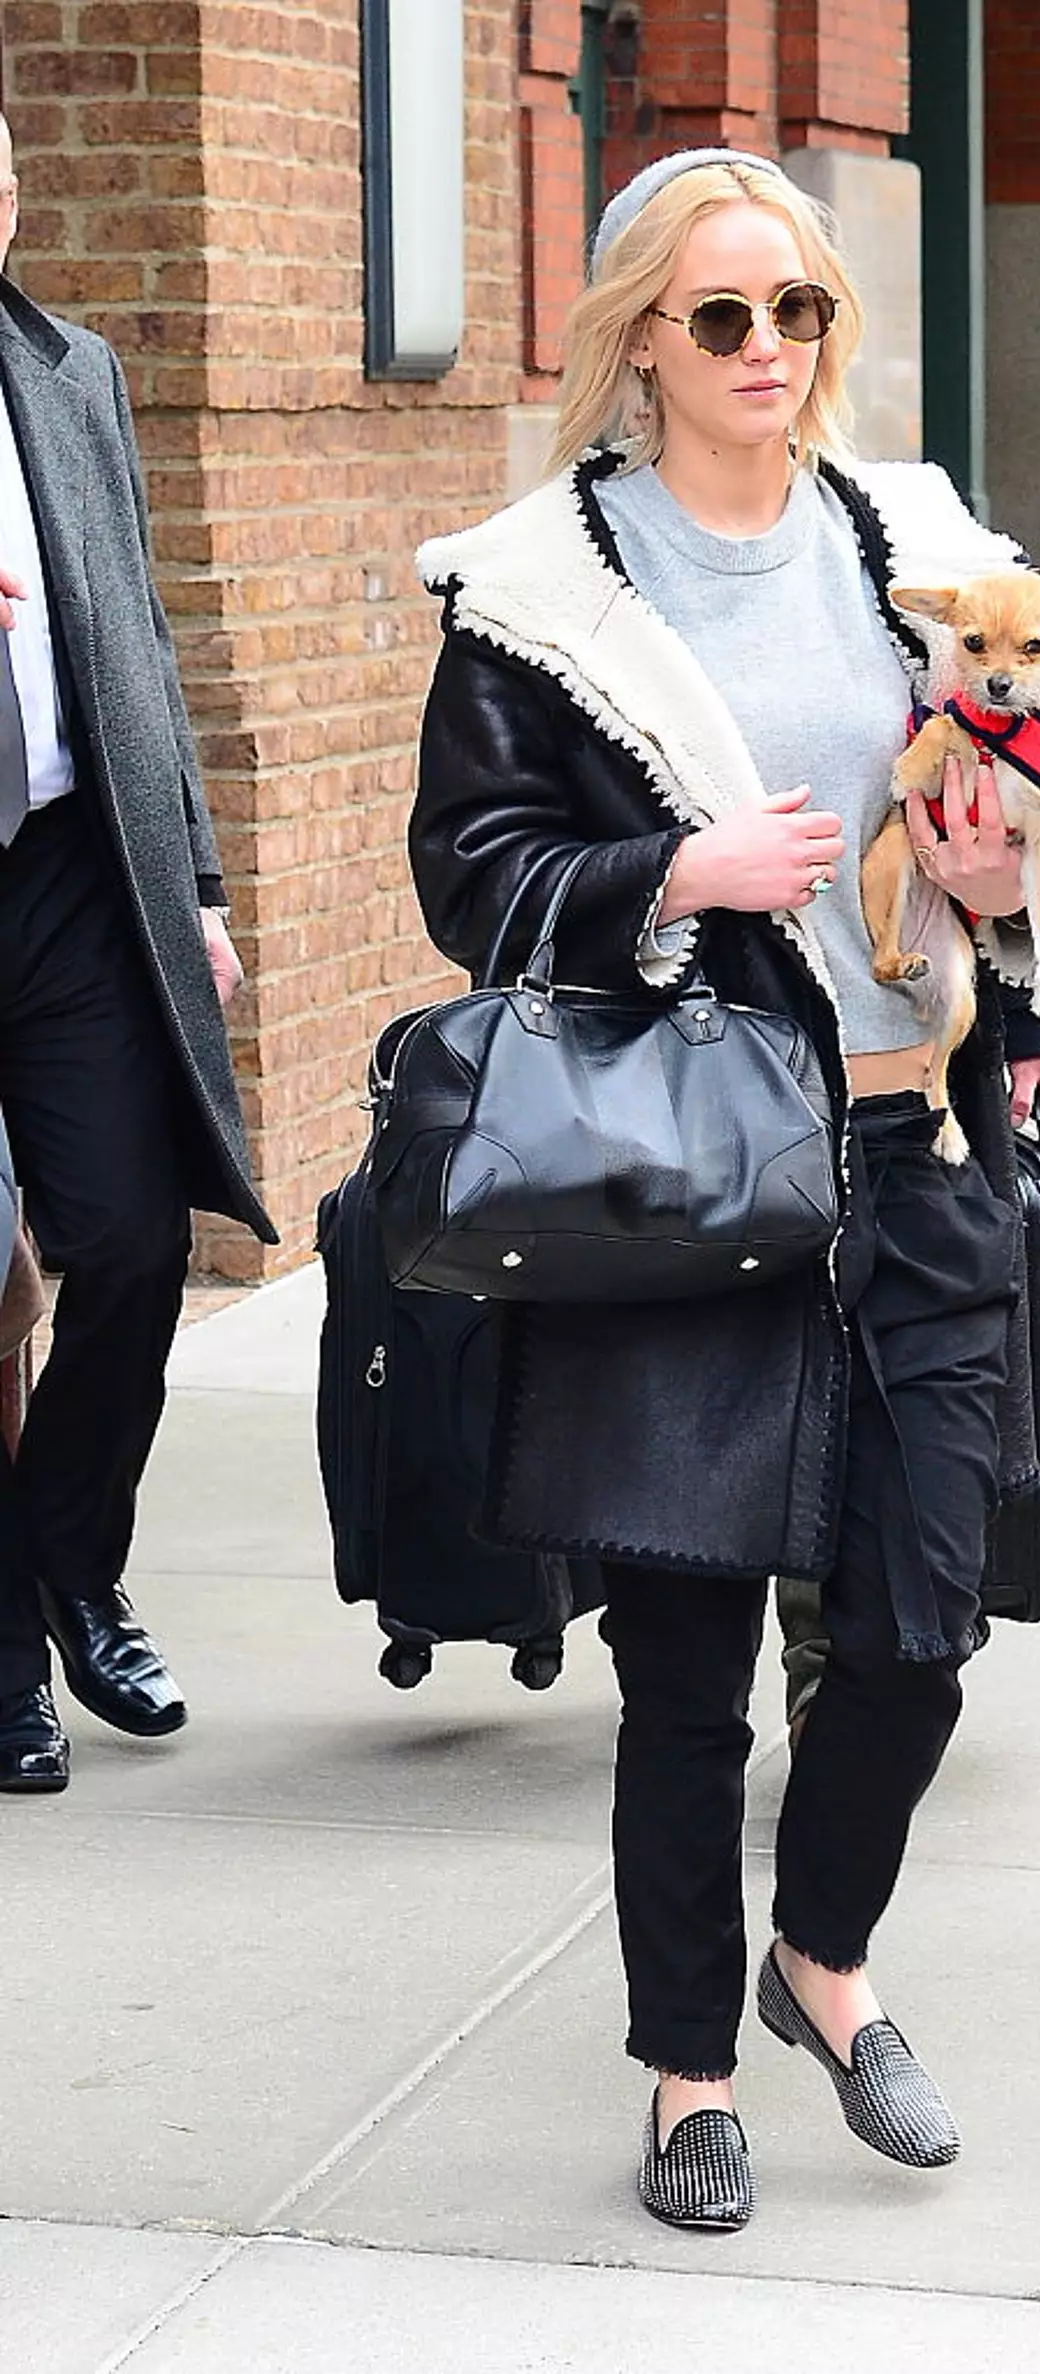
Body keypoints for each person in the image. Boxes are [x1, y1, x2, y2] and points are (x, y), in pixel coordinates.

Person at [409, 148, 1040, 2230]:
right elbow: (468, 872)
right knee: (687, 1668)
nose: (770, 349)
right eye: (724, 318)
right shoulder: (545, 588)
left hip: (909, 1139)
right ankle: (695, 2069)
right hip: (683, 1175)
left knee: (927, 1621)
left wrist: (1004, 888)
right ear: (639, 344)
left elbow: (1025, 770)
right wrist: (669, 879)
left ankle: (823, 1944)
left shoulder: (912, 541)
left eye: (796, 310)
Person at [0, 114, 274, 1796]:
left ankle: (67, 1565)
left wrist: (198, 882)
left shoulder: (70, 370)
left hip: (68, 879)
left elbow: (138, 636)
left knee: (129, 1249)